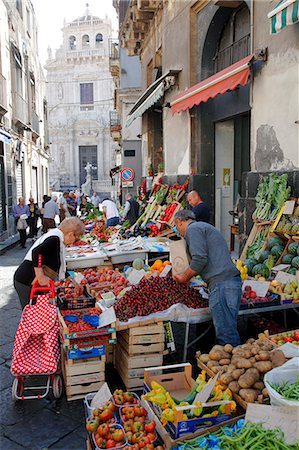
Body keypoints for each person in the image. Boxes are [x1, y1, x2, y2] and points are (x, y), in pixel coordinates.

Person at [173, 210, 241, 346]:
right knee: (228, 330)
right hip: (227, 282)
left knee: (226, 335)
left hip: (222, 284)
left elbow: (199, 259)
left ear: (180, 222)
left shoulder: (193, 230)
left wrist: (184, 278)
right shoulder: (203, 227)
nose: (177, 230)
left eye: (176, 226)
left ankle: (233, 364)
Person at [13, 217, 85, 309]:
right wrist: (40, 276)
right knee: (32, 313)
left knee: (37, 312)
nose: (73, 243)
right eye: (76, 239)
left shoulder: (57, 238)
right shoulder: (54, 238)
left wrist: (72, 281)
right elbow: (36, 252)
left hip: (28, 281)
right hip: (26, 281)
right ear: (71, 234)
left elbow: (59, 265)